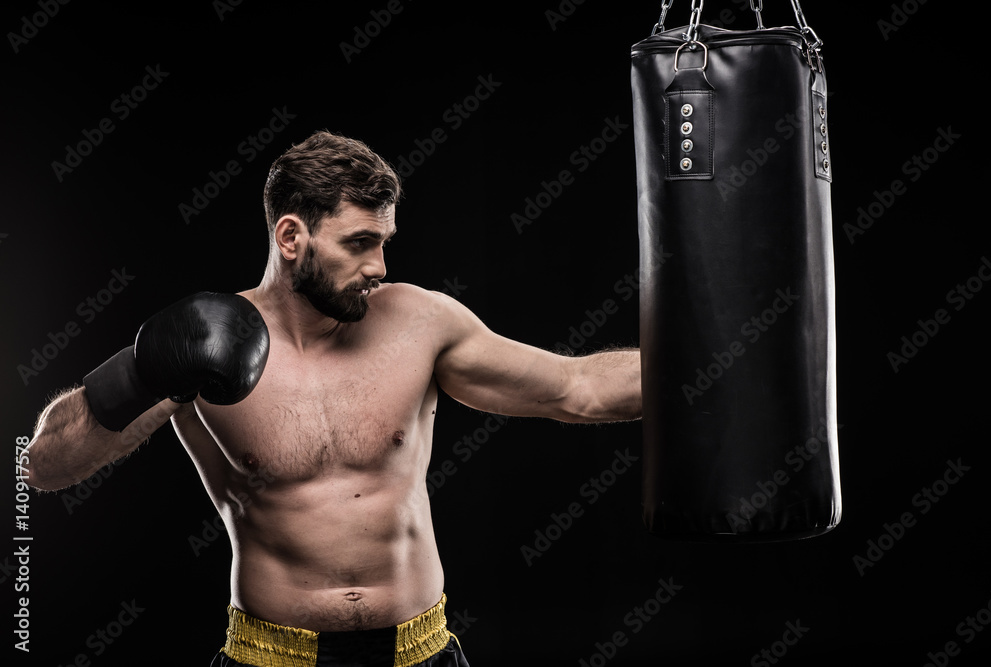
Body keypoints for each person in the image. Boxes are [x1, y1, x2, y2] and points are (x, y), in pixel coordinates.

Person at [25, 130, 642, 667]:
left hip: (420, 653)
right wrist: (144, 374)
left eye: (385, 242)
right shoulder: (204, 341)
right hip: (272, 658)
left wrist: (717, 365)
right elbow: (44, 465)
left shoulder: (419, 323)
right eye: (357, 243)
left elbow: (579, 388)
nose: (378, 265)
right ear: (292, 236)